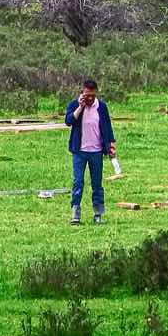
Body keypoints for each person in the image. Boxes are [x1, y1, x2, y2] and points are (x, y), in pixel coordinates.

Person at [63, 79, 114, 226]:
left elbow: (107, 127)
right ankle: (75, 214)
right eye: (87, 95)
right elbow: (68, 121)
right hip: (79, 151)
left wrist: (111, 145)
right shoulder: (74, 104)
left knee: (97, 184)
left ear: (96, 93)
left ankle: (98, 214)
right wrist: (80, 107)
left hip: (96, 152)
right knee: (78, 182)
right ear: (82, 93)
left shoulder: (102, 107)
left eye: (92, 95)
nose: (90, 98)